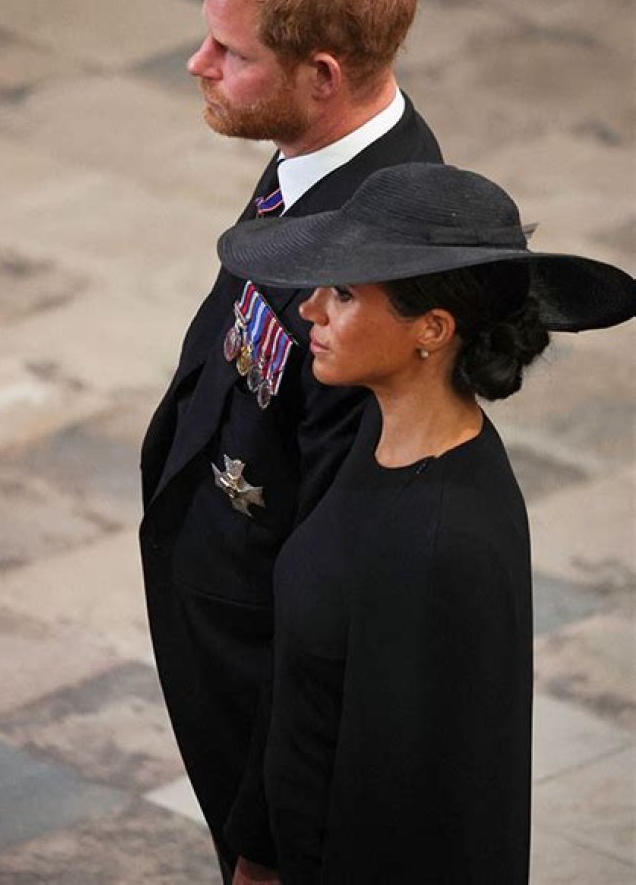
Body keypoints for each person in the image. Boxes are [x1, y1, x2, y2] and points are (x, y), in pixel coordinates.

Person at [216, 161, 635, 883]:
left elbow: (414, 813)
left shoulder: (443, 542)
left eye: (343, 294)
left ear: (432, 331)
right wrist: (257, 854)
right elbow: (305, 689)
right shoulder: (374, 444)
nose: (310, 310)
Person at [139, 0, 442, 883]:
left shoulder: (376, 280)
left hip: (264, 684)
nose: (200, 65)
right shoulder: (319, 157)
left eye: (231, 53)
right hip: (221, 632)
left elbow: (333, 589)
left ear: (321, 75)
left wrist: (266, 836)